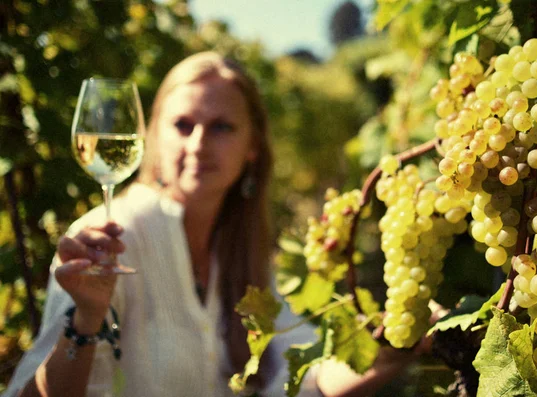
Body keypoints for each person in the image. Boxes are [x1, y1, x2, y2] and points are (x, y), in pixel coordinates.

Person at [4, 52, 425, 397]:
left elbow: (305, 374)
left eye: (221, 127)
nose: (199, 144)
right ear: (153, 135)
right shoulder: (108, 241)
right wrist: (84, 323)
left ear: (253, 148)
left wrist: (394, 348)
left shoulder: (243, 252)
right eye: (182, 125)